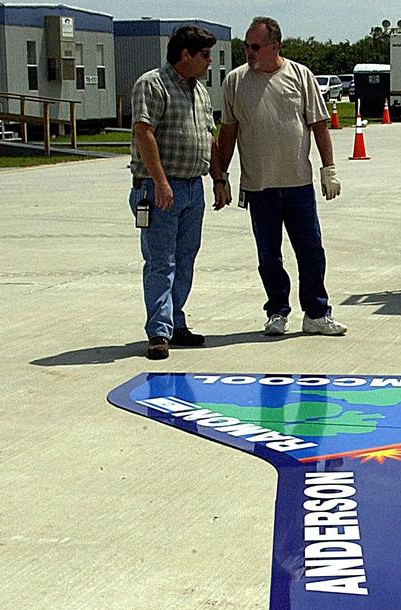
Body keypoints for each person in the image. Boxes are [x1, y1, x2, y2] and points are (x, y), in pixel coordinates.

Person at [217, 16, 346, 338]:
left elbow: (319, 125)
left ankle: (316, 313)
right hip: (259, 187)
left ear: (275, 46)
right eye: (246, 46)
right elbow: (228, 133)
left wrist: (328, 169)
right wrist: (221, 177)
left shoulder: (300, 76)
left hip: (298, 184)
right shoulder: (235, 81)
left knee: (311, 250)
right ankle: (277, 312)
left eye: (256, 46)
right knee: (269, 255)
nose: (249, 52)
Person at [128, 25, 229, 360]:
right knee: (161, 261)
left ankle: (175, 322)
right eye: (205, 55)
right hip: (160, 189)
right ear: (185, 54)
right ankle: (158, 332)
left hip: (192, 188)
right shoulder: (153, 84)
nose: (209, 62)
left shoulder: (199, 90)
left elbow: (209, 136)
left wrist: (218, 179)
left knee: (185, 260)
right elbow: (144, 133)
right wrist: (160, 182)